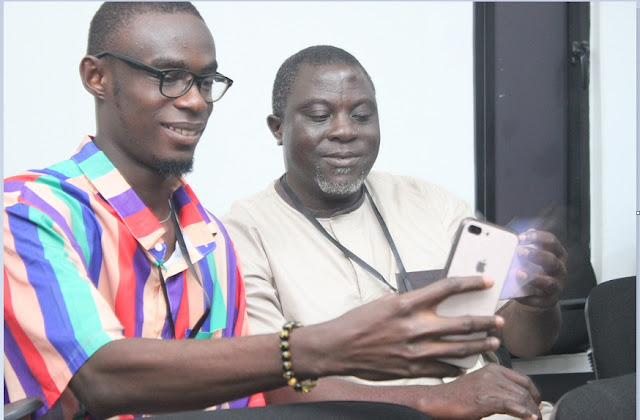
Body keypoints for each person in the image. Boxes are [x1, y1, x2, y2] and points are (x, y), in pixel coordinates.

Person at [4, 4, 510, 419]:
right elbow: (99, 379)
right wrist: (318, 348)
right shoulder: (32, 210)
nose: (195, 101)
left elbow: (237, 400)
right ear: (97, 76)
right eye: (169, 77)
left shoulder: (207, 235)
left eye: (205, 81)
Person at [223, 45, 569, 420]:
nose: (345, 131)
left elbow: (524, 344)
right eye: (320, 116)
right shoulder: (242, 234)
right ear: (278, 128)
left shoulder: (432, 202)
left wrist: (537, 304)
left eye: (362, 115)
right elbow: (271, 383)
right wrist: (439, 398)